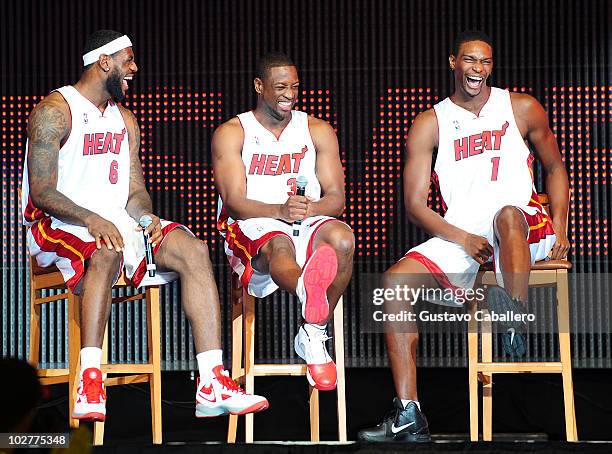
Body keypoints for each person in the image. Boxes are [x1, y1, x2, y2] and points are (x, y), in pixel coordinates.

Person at [21, 30, 268, 423]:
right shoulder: (55, 110)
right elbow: (42, 191)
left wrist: (146, 217)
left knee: (193, 249)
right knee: (105, 250)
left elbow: (135, 189)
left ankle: (211, 381)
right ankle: (89, 378)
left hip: (114, 222)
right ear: (104, 62)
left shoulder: (126, 120)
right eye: (128, 60)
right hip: (55, 223)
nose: (134, 68)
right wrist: (91, 218)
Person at [357, 30, 570, 442]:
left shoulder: (521, 107)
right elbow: (415, 204)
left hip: (525, 225)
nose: (478, 69)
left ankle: (513, 312)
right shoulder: (430, 122)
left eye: (485, 62)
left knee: (507, 215)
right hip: (465, 234)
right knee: (393, 283)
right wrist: (461, 238)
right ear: (453, 62)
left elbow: (556, 167)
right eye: (470, 61)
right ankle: (408, 414)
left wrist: (560, 225)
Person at [212, 52, 354, 391]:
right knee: (280, 244)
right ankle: (308, 289)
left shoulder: (317, 129)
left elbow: (337, 199)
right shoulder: (233, 132)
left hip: (303, 220)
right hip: (253, 224)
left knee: (343, 239)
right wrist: (279, 211)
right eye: (280, 87)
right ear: (259, 86)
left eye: (294, 86)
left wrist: (311, 208)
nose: (290, 94)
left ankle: (312, 333)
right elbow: (233, 203)